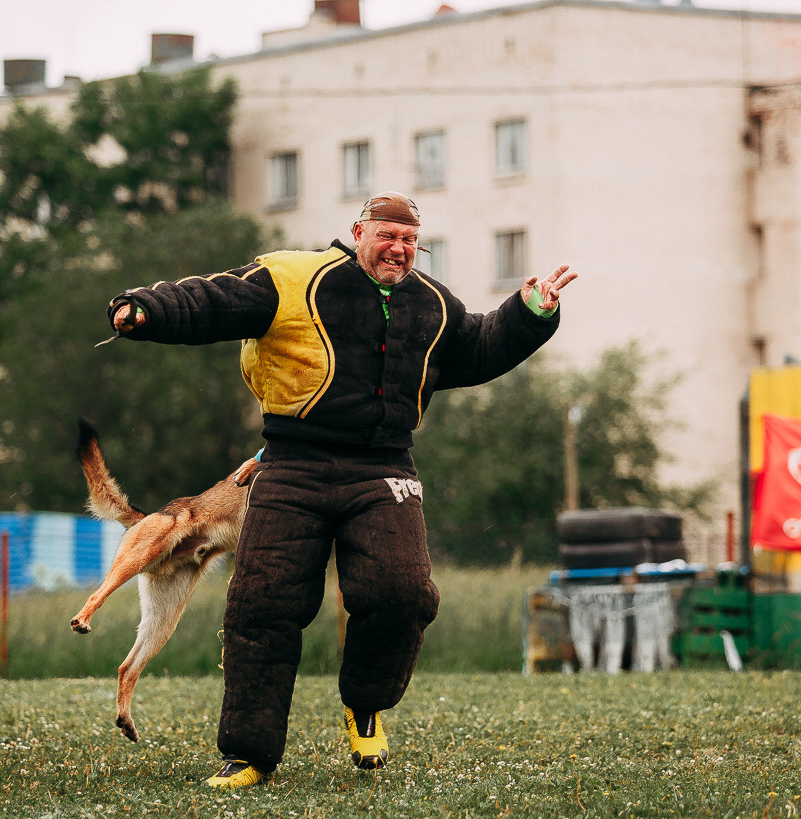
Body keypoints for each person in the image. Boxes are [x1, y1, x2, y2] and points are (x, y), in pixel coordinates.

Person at [105, 191, 576, 788]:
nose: (399, 249)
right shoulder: (294, 277)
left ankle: (365, 705)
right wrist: (146, 309)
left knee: (402, 593)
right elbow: (216, 299)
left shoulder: (431, 303)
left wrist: (531, 312)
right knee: (260, 605)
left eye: (409, 240)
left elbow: (479, 348)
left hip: (383, 468)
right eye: (387, 236)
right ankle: (250, 754)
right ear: (358, 231)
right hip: (290, 463)